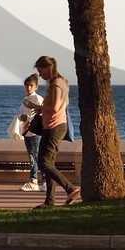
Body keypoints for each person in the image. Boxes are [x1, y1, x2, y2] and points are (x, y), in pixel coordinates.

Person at [26, 55, 79, 207]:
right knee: (49, 164)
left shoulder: (56, 84)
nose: (40, 75)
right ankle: (49, 202)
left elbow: (55, 107)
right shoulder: (61, 82)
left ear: (48, 68)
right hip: (54, 125)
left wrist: (35, 106)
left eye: (41, 71)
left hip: (54, 127)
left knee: (44, 163)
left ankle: (71, 189)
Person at [15, 73, 44, 192]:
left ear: (36, 87)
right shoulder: (25, 100)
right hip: (27, 131)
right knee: (32, 156)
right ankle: (35, 180)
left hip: (35, 132)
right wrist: (22, 117)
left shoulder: (37, 99)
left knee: (36, 156)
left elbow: (41, 114)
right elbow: (21, 114)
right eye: (27, 85)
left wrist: (28, 119)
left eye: (31, 85)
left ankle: (35, 180)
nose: (28, 87)